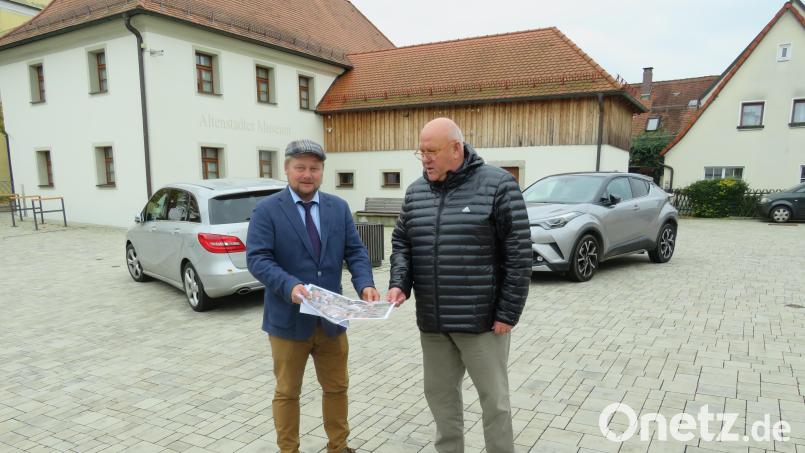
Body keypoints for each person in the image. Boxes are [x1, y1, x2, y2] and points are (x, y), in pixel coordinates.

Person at [386, 118, 531, 453]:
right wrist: (399, 283)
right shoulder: (415, 192)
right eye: (420, 151)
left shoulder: (497, 185)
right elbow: (402, 243)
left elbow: (519, 254)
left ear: (456, 148)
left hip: (482, 324)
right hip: (434, 323)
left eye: (431, 151)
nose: (425, 158)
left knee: (495, 402)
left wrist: (508, 313)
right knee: (440, 399)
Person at [247, 139, 379, 453]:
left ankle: (338, 447)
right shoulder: (267, 210)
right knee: (288, 392)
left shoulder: (338, 207)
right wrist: (289, 285)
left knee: (336, 388)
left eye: (314, 168)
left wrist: (365, 284)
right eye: (300, 168)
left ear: (322, 171)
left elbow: (356, 252)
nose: (307, 174)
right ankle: (288, 450)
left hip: (332, 319)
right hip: (288, 321)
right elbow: (258, 258)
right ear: (287, 169)